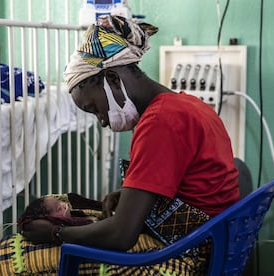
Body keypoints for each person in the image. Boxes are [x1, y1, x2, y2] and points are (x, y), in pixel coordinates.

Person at [22, 15, 239, 275]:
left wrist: (55, 232)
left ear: (112, 79)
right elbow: (191, 181)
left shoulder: (160, 122)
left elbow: (121, 236)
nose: (102, 121)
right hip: (218, 240)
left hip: (193, 250)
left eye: (94, 108)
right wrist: (131, 195)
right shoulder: (188, 105)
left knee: (23, 257)